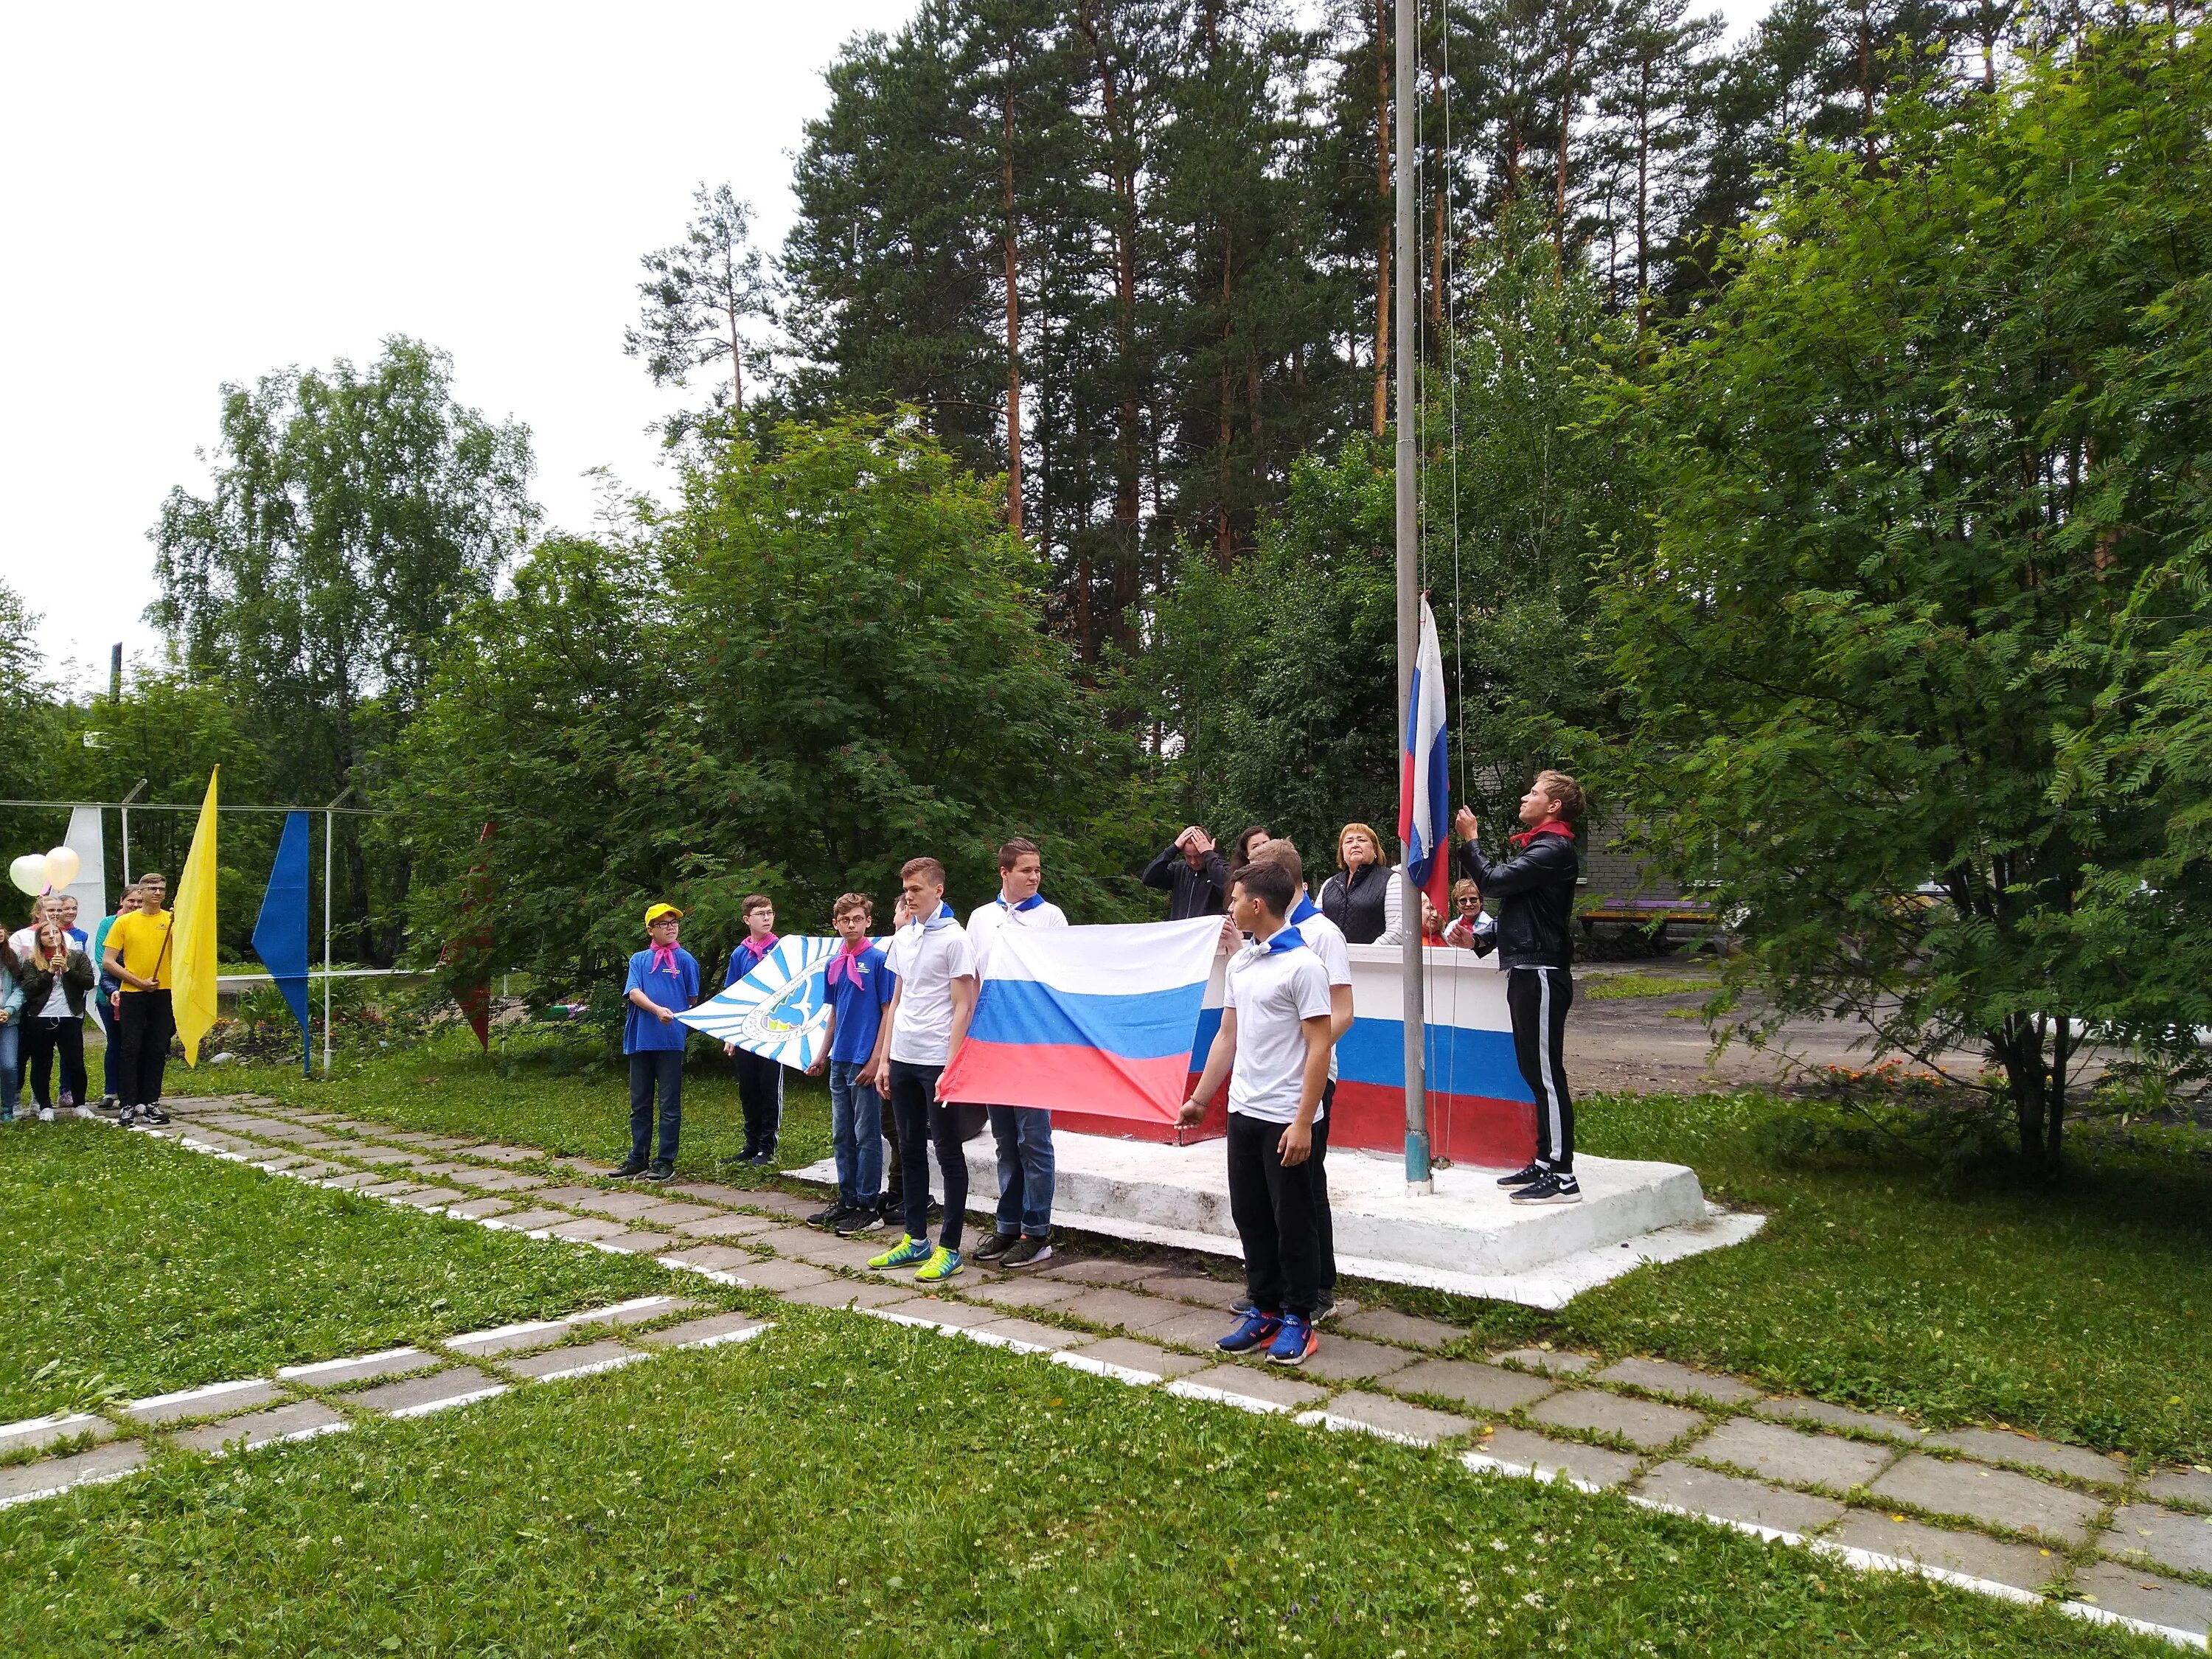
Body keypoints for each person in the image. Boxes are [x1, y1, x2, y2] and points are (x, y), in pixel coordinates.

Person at [1178, 859, 1335, 1366]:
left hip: (1286, 1116)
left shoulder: (1305, 966)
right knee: (1250, 1215)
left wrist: (1303, 1120)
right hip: (1244, 1111)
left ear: (1258, 904)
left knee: (1293, 1220)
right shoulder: (1242, 963)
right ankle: (1264, 1308)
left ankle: (1298, 1317)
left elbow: (1319, 1049)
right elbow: (1228, 1034)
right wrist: (1202, 1098)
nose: (1230, 906)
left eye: (1235, 898)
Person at [1455, 771, 1585, 1204]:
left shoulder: (1555, 848)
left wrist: (1470, 841)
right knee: (1533, 1070)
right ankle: (1546, 1161)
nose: (1524, 797)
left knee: (1547, 1075)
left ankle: (1563, 1177)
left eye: (1534, 793)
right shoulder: (1540, 848)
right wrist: (1481, 940)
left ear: (1554, 807)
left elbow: (1492, 884)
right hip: (1527, 968)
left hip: (1543, 972)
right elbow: (1520, 910)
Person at [1246, 838, 1352, 1324]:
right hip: (1266, 1085)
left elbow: (1343, 1012)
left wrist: (1305, 1047)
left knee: (1304, 1186)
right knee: (1267, 1193)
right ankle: (1272, 1288)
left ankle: (1316, 1287)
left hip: (1310, 1074)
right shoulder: (1261, 940)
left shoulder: (1321, 933)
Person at [862, 858, 977, 1284]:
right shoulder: (903, 937)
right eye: (906, 890)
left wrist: (952, 1067)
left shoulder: (956, 939)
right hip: (905, 1056)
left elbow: (965, 1005)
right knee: (908, 1147)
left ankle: (950, 1247)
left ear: (938, 891)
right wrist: (886, 1058)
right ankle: (915, 1239)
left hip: (937, 1059)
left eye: (917, 890)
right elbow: (895, 1000)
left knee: (947, 1150)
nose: (909, 897)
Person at [964, 837, 1068, 1269]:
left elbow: (1062, 976)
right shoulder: (980, 918)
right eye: (1026, 870)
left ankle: (1036, 1230)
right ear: (1004, 873)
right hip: (992, 1042)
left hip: (1033, 1044)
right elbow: (971, 980)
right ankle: (1007, 1225)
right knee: (1005, 1141)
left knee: (1034, 1140)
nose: (1034, 876)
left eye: (1038, 870)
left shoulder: (1051, 917)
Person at [805, 892, 895, 1234]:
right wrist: (820, 1055)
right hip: (840, 1057)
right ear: (836, 924)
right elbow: (834, 1013)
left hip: (864, 1060)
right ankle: (847, 1200)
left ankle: (869, 1204)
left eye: (858, 919)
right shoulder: (834, 964)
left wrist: (877, 1059)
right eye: (845, 920)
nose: (852, 925)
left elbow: (888, 1012)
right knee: (841, 1133)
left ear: (869, 922)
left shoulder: (878, 961)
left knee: (866, 1133)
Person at [617, 903, 699, 1181]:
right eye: (663, 924)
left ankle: (665, 1160)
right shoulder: (639, 960)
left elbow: (691, 999)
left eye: (674, 922)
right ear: (650, 930)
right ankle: (637, 1157)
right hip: (641, 1039)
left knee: (669, 1104)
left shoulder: (686, 960)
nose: (671, 927)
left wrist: (675, 1016)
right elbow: (634, 992)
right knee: (640, 1102)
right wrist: (657, 1010)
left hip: (670, 1042)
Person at [100, 873, 174, 1127]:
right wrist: (136, 981)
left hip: (164, 991)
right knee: (130, 1048)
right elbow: (108, 961)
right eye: (152, 888)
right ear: (139, 892)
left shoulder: (172, 920)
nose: (157, 893)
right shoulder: (125, 922)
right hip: (133, 993)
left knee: (157, 1047)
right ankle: (128, 1104)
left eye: (162, 889)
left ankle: (151, 1102)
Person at [721, 894, 786, 1166]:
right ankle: (750, 1144)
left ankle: (767, 1147)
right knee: (749, 1089)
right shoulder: (740, 954)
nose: (767, 918)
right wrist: (730, 1036)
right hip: (746, 1030)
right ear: (748, 919)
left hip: (774, 1030)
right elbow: (732, 995)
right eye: (761, 914)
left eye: (770, 913)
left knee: (769, 1088)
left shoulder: (782, 949)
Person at [18, 918, 95, 1121]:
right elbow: (30, 989)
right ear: (39, 940)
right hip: (41, 1018)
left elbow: (88, 983)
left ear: (62, 936)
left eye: (56, 932)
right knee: (42, 1063)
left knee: (75, 1062)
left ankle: (80, 1104)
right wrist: (50, 972)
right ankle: (45, 1106)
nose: (52, 936)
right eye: (46, 934)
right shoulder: (32, 962)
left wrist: (67, 971)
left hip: (70, 1016)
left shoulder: (77, 957)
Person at [88, 885, 136, 1108]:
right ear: (121, 901)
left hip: (139, 992)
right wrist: (117, 985)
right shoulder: (108, 924)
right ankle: (111, 1091)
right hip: (111, 993)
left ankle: (134, 1090)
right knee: (115, 1042)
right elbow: (103, 959)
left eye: (139, 902)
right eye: (131, 901)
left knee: (135, 1043)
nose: (135, 905)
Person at [1318, 822, 1391, 944]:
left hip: (1376, 961)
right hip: (1332, 960)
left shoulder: (1391, 881)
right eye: (1348, 842)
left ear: (1375, 851)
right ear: (1342, 852)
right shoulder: (1329, 885)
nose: (1355, 845)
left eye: (1362, 840)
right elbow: (1315, 925)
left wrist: (1364, 955)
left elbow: (1398, 929)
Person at [1140, 827, 1230, 919]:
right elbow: (1148, 879)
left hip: (1209, 932)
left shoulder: (1221, 869)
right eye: (1188, 856)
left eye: (1198, 856)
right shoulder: (1179, 869)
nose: (1193, 862)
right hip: (1182, 931)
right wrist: (1173, 848)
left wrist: (1209, 856)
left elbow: (1228, 888)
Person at [1443, 878, 1497, 955]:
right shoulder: (1452, 926)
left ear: (1481, 902)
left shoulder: (1491, 926)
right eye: (1463, 900)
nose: (1468, 904)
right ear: (1457, 905)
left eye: (1473, 899)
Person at [0, 934, 21, 1124]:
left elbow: (20, 988)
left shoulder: (11, 958)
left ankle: (7, 1110)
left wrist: (9, 1009)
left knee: (9, 1065)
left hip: (8, 1021)